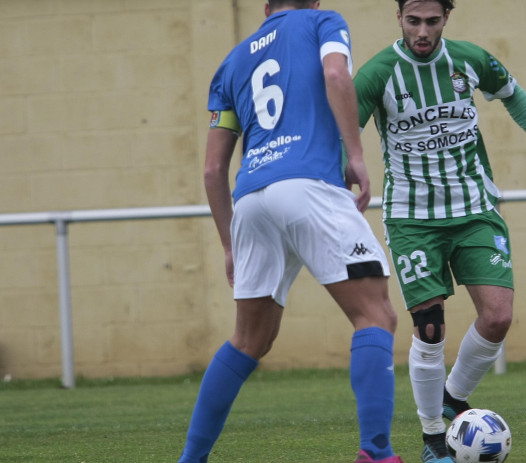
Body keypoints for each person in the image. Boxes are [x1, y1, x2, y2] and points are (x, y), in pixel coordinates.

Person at [177, 1, 403, 462]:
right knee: (376, 315)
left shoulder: (232, 62)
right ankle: (377, 454)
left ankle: (191, 459)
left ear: (265, 7)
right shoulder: (323, 22)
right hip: (308, 185)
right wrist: (356, 155)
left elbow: (212, 169)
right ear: (315, 0)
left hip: (252, 201)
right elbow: (337, 76)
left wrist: (228, 241)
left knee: (249, 340)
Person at [352, 1, 526, 462]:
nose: (422, 31)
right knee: (429, 328)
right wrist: (344, 170)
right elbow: (345, 131)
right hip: (412, 217)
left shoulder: (470, 59)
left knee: (498, 316)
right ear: (399, 18)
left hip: (475, 208)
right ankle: (432, 438)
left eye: (433, 21)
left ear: (447, 17)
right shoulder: (378, 73)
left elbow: (513, 94)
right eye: (413, 21)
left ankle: (452, 396)